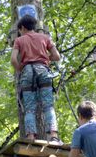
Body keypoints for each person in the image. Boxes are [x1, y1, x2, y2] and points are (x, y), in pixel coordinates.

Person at [11, 15, 62, 143]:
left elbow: (13, 59)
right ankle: (53, 136)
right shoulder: (45, 38)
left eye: (20, 30)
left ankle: (31, 137)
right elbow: (56, 56)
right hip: (43, 70)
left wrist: (20, 69)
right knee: (48, 106)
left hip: (27, 72)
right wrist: (44, 58)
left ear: (22, 27)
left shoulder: (19, 40)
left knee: (29, 108)